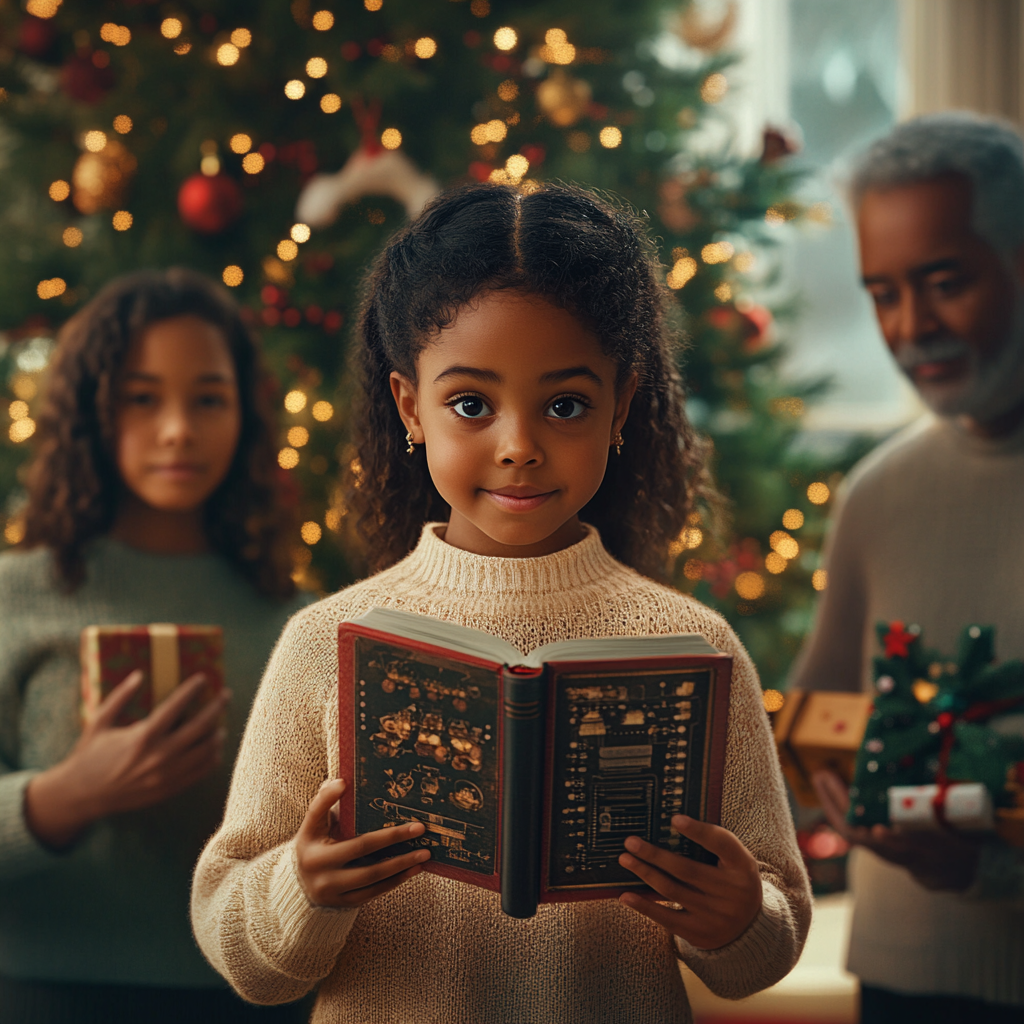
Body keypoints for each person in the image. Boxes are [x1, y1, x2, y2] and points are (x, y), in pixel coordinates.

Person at [190, 183, 812, 1024]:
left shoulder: (692, 645)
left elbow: (767, 941)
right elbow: (242, 947)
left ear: (620, 406)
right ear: (411, 405)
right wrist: (302, 890)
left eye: (565, 405)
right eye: (471, 404)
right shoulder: (326, 641)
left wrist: (742, 919)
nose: (518, 446)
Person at [0, 269, 313, 1024]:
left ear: (244, 415)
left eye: (208, 399)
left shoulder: (299, 621)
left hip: (250, 998)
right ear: (90, 414)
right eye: (141, 399)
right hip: (43, 994)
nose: (177, 428)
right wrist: (66, 795)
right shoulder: (15, 595)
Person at [790, 112, 1024, 1023]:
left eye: (945, 282)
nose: (910, 326)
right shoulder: (876, 493)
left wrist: (987, 865)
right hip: (900, 982)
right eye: (882, 293)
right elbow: (819, 723)